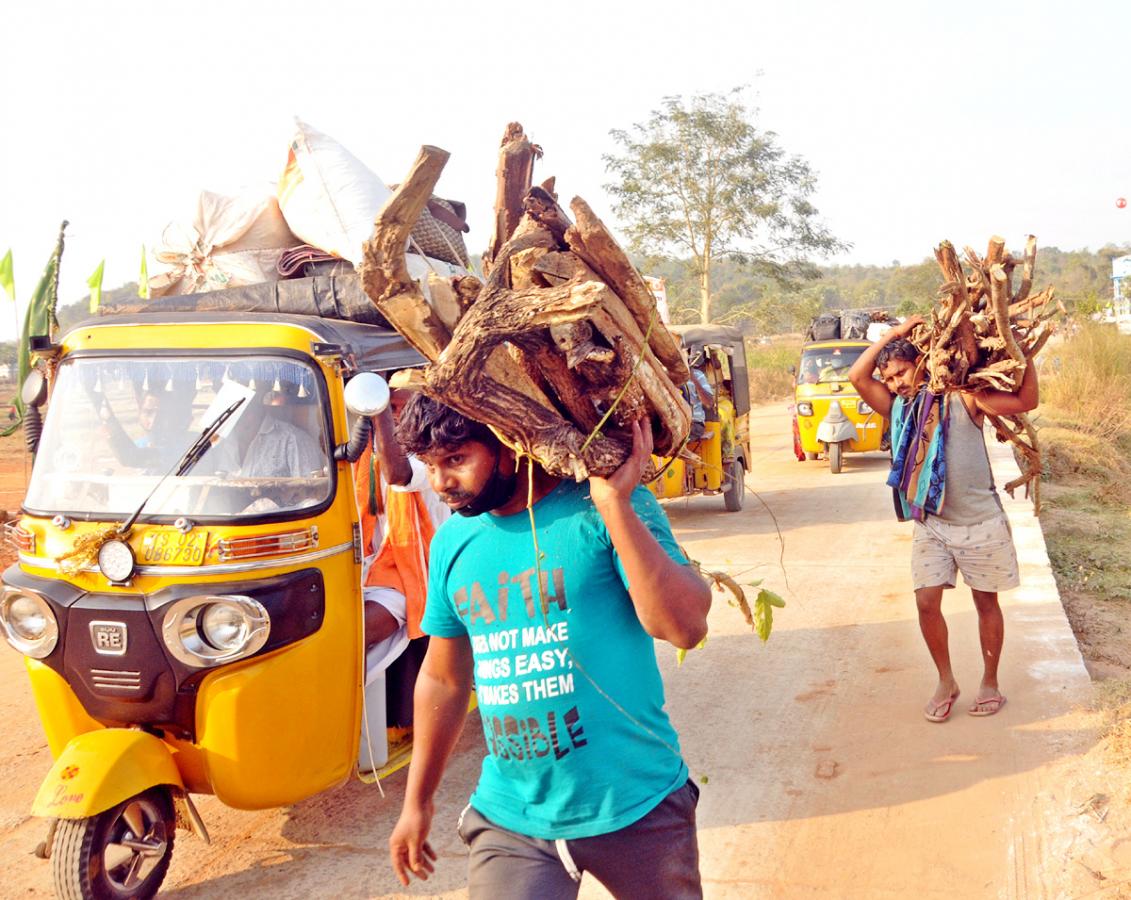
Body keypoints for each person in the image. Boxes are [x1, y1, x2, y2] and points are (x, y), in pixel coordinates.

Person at [388, 396, 711, 898]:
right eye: (429, 465)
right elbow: (444, 679)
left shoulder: (602, 507)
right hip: (512, 815)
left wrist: (615, 506)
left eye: (456, 460)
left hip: (636, 803)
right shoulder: (453, 542)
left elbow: (684, 627)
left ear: (511, 442)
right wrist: (418, 802)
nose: (440, 483)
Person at [848, 315, 1039, 723]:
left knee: (985, 602)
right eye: (890, 377)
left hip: (980, 522)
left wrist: (1024, 353)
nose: (896, 383)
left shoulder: (965, 398)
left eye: (901, 372)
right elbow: (857, 376)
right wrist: (895, 335)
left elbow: (1026, 401)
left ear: (922, 362)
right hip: (932, 525)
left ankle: (990, 682)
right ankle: (946, 680)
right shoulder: (899, 408)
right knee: (925, 601)